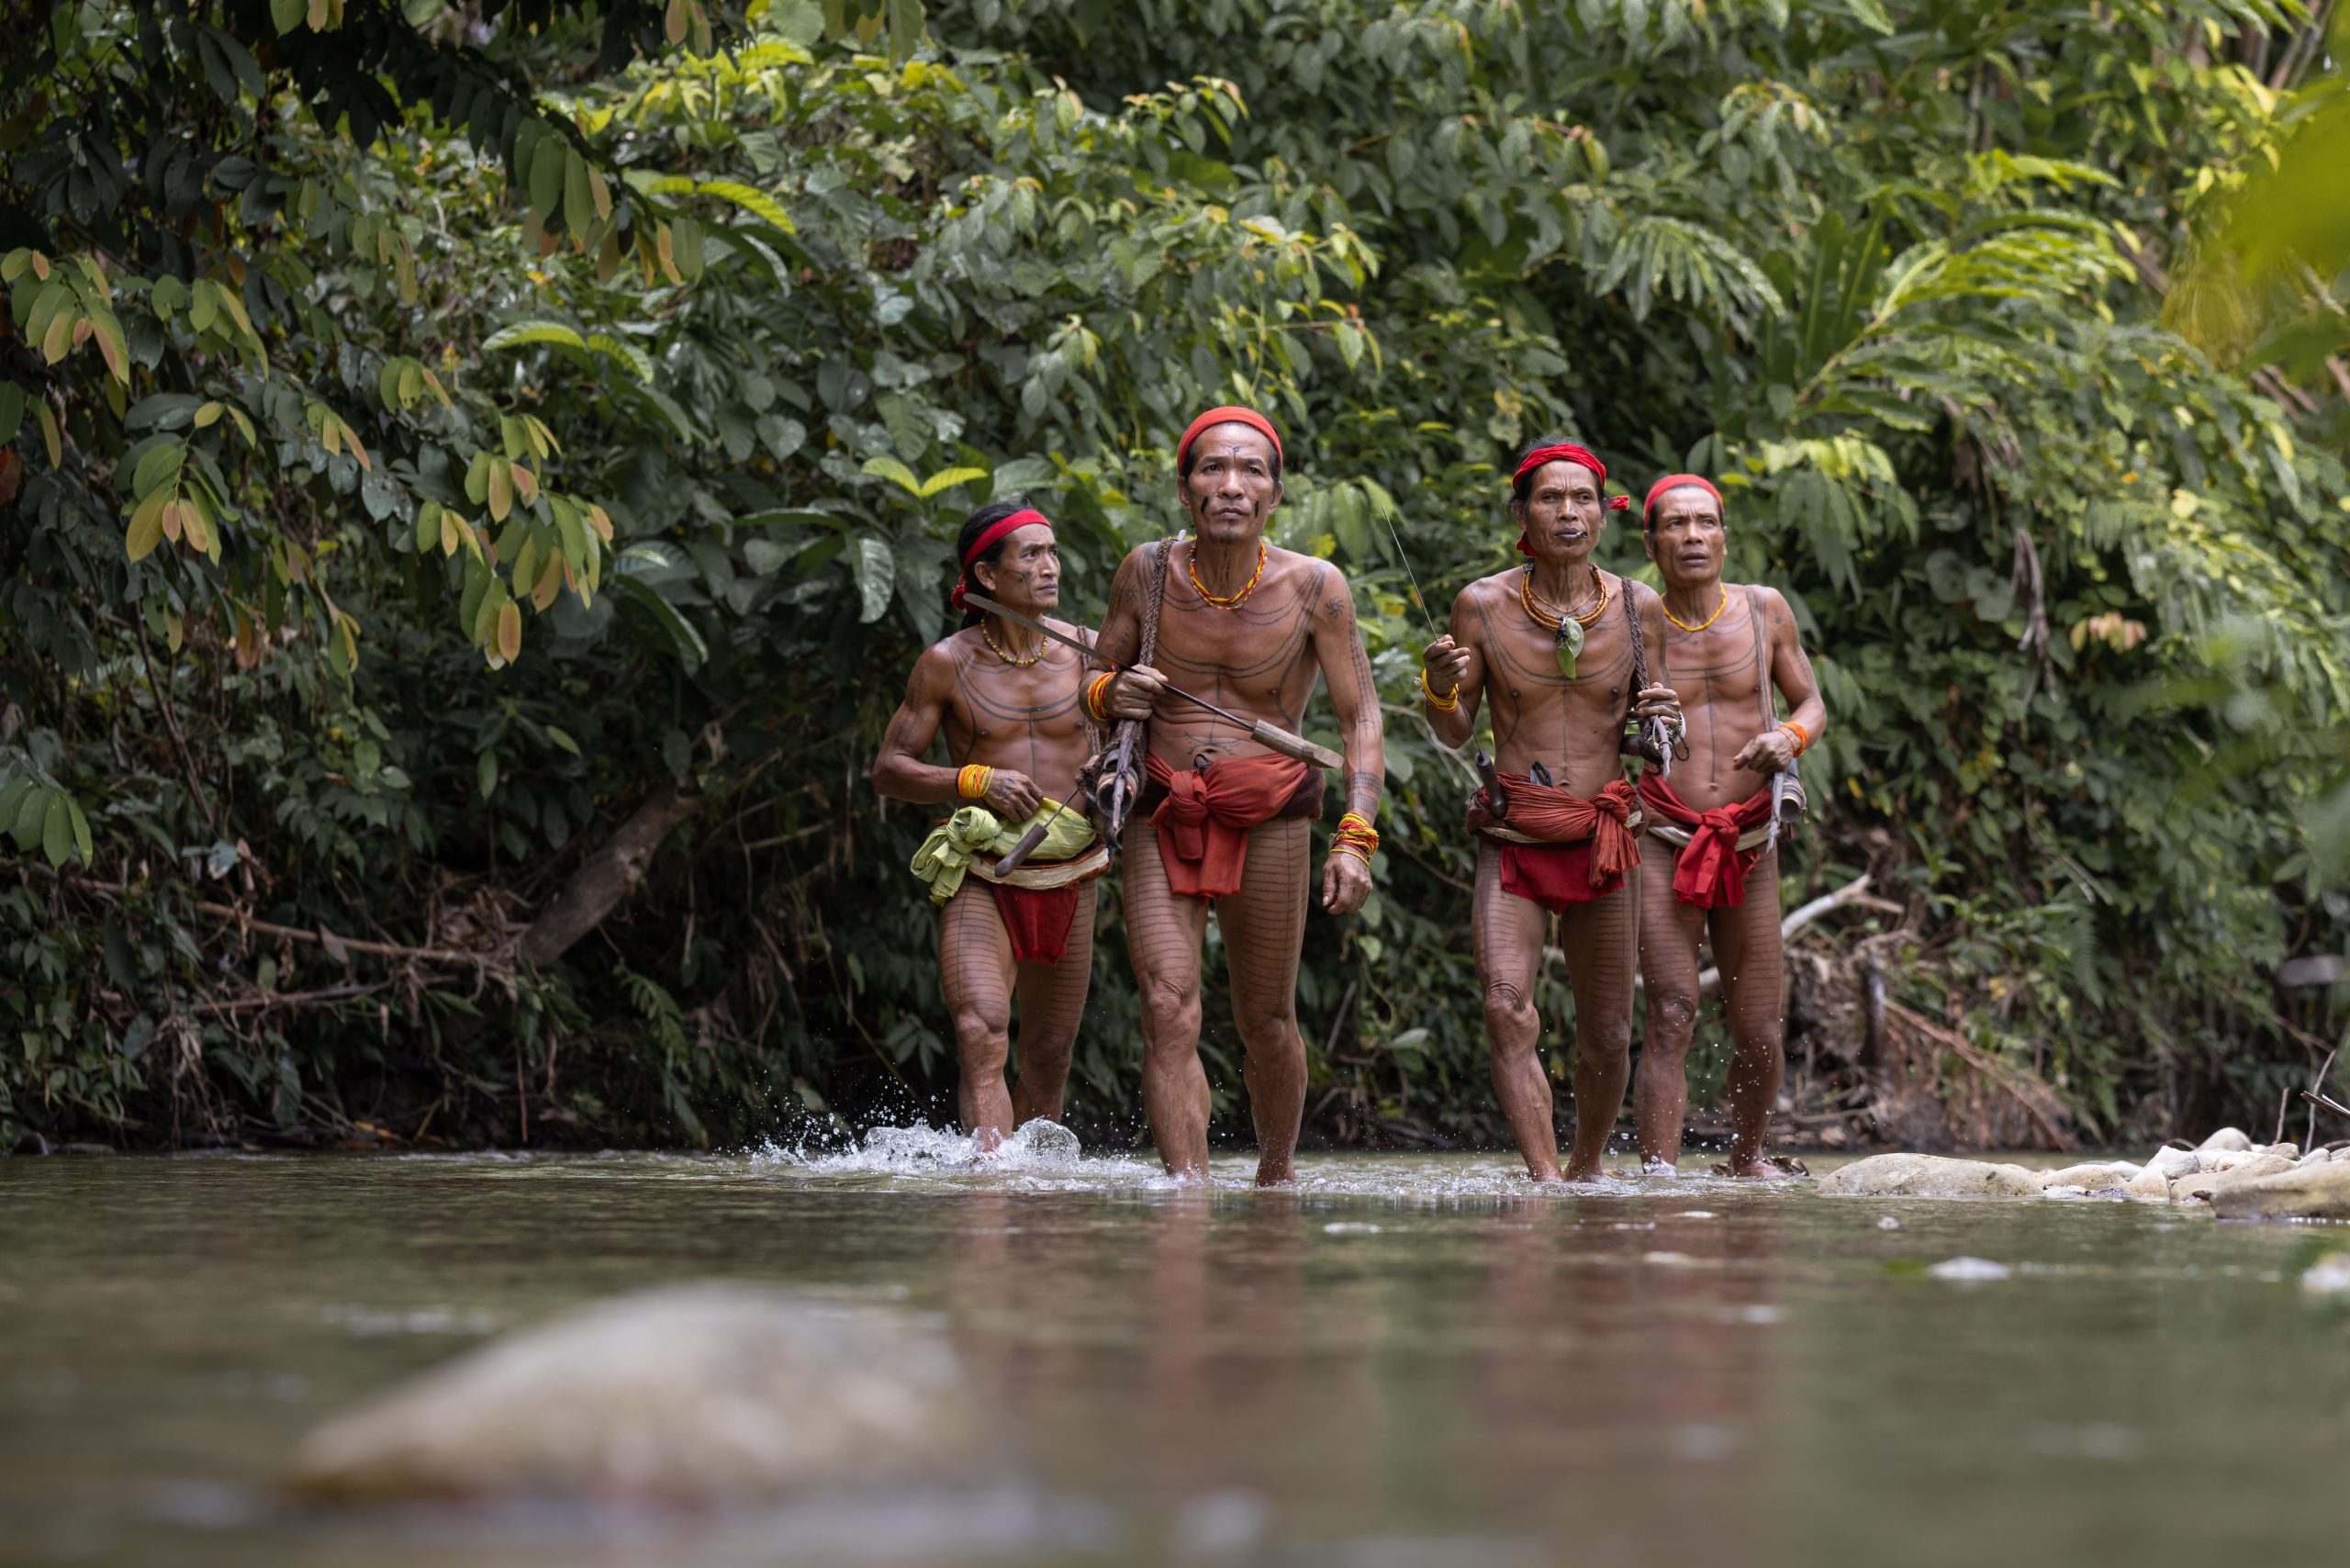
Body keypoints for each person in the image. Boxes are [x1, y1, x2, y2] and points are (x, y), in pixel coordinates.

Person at [1090, 406, 1384, 1185]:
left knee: (1267, 1020)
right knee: (1165, 1003)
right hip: (1163, 808)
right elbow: (1090, 681)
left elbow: (1361, 717)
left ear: (1275, 494)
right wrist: (1112, 694)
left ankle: (1275, 1182)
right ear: (1185, 491)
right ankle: (1186, 1193)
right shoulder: (1145, 573)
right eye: (1212, 470)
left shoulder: (1316, 587)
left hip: (1273, 817)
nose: (1231, 485)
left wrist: (1356, 837)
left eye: (1251, 471)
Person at [1419, 440, 1683, 1182]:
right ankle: (1543, 1180)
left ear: (1604, 514)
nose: (1568, 512)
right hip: (1514, 835)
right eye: (1549, 499)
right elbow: (1454, 729)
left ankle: (1587, 1174)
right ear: (1521, 514)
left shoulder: (1639, 606)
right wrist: (1439, 684)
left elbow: (1656, 739)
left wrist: (1664, 722)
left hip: (1605, 837)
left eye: (1582, 499)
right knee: (1505, 1006)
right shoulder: (1481, 603)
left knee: (1607, 1032)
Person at [871, 501, 1109, 1148]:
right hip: (982, 875)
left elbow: (1133, 744)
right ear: (986, 577)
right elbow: (889, 770)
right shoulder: (946, 663)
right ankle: (990, 1191)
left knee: (1051, 1054)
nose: (1050, 566)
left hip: (1072, 873)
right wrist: (971, 780)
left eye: (1053, 552)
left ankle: (1032, 1207)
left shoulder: (1089, 650)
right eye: (1030, 556)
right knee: (981, 1033)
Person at [1630, 474, 1828, 1178]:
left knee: (1758, 1029)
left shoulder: (1764, 609)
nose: (1691, 536)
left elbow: (1810, 703)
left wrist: (1791, 742)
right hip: (1662, 837)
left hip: (1750, 841)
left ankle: (1745, 1163)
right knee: (1673, 1012)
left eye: (1705, 523)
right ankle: (1657, 1176)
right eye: (1675, 525)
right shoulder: (1630, 618)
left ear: (1724, 536)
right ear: (1650, 542)